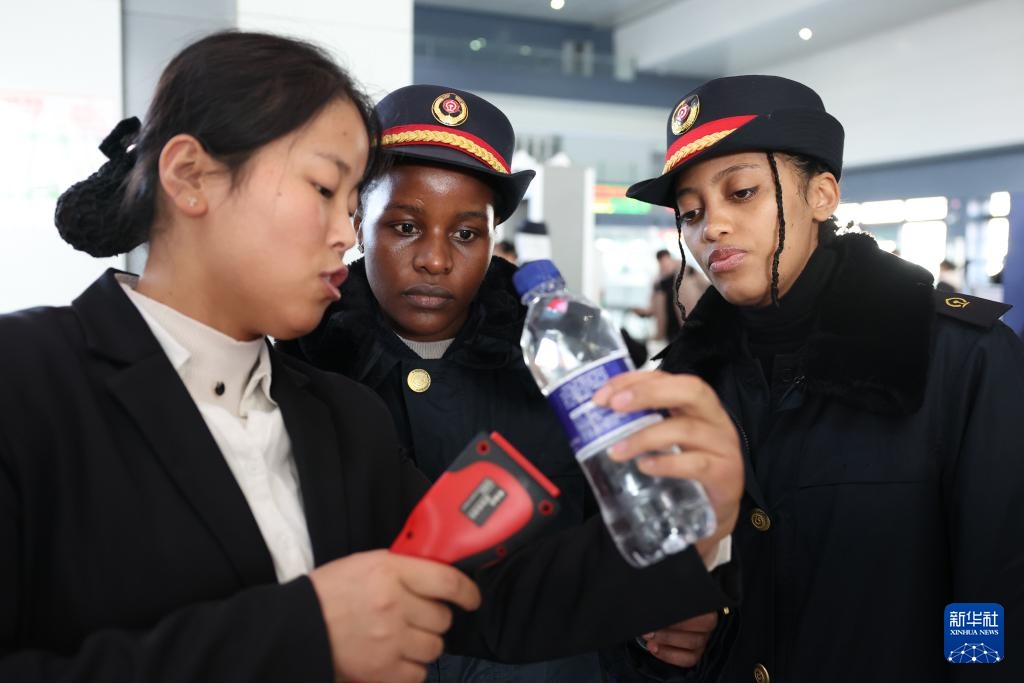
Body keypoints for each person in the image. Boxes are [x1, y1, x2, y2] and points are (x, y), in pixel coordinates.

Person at [0, 32, 746, 683]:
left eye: (351, 203)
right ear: (192, 176)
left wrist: (694, 527)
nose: (346, 233)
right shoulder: (28, 383)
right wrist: (304, 635)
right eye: (327, 190)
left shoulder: (338, 418)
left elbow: (492, 595)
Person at [616, 74, 1024, 681]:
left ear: (822, 195)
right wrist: (676, 626)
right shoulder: (684, 383)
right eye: (692, 212)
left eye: (742, 193)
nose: (712, 227)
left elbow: (994, 591)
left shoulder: (957, 359)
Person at [278, 84, 599, 681]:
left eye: (465, 234)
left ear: (494, 240)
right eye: (405, 227)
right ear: (358, 223)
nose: (434, 259)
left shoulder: (563, 363)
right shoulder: (297, 365)